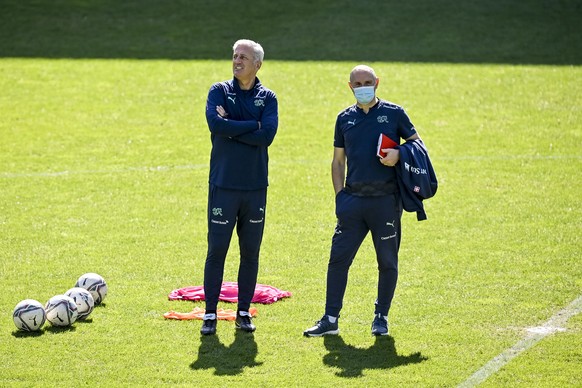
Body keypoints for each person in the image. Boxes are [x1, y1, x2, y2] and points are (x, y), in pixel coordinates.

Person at [304, 65, 420, 337]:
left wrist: (399, 154)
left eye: (368, 82)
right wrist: (339, 197)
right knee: (338, 261)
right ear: (350, 87)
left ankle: (381, 317)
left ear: (377, 83)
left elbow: (417, 144)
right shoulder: (344, 118)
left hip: (386, 201)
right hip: (352, 201)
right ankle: (330, 319)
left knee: (387, 261)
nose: (363, 87)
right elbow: (337, 161)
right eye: (358, 84)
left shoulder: (394, 113)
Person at [200, 39, 278, 335]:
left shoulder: (268, 98)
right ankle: (210, 314)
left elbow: (268, 135)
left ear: (257, 65)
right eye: (234, 56)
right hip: (223, 185)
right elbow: (215, 125)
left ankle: (243, 312)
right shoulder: (218, 91)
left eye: (243, 57)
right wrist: (252, 125)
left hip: (255, 187)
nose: (237, 61)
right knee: (217, 249)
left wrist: (232, 123)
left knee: (250, 252)